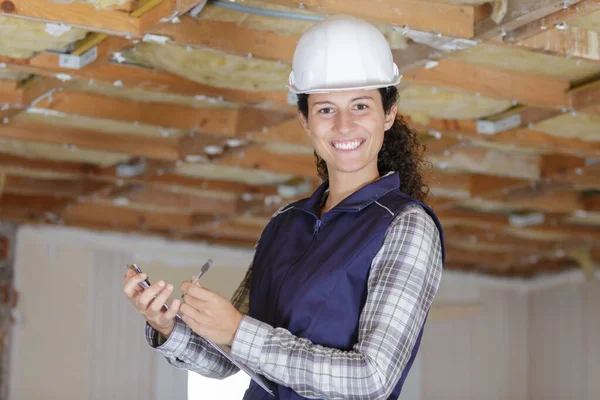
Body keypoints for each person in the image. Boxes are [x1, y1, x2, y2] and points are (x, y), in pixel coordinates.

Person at [123, 14, 445, 400]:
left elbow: (372, 379)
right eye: (326, 109)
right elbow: (230, 360)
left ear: (388, 113)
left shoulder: (407, 226)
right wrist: (168, 325)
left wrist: (238, 331)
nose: (344, 125)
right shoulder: (285, 224)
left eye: (360, 106)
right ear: (305, 120)